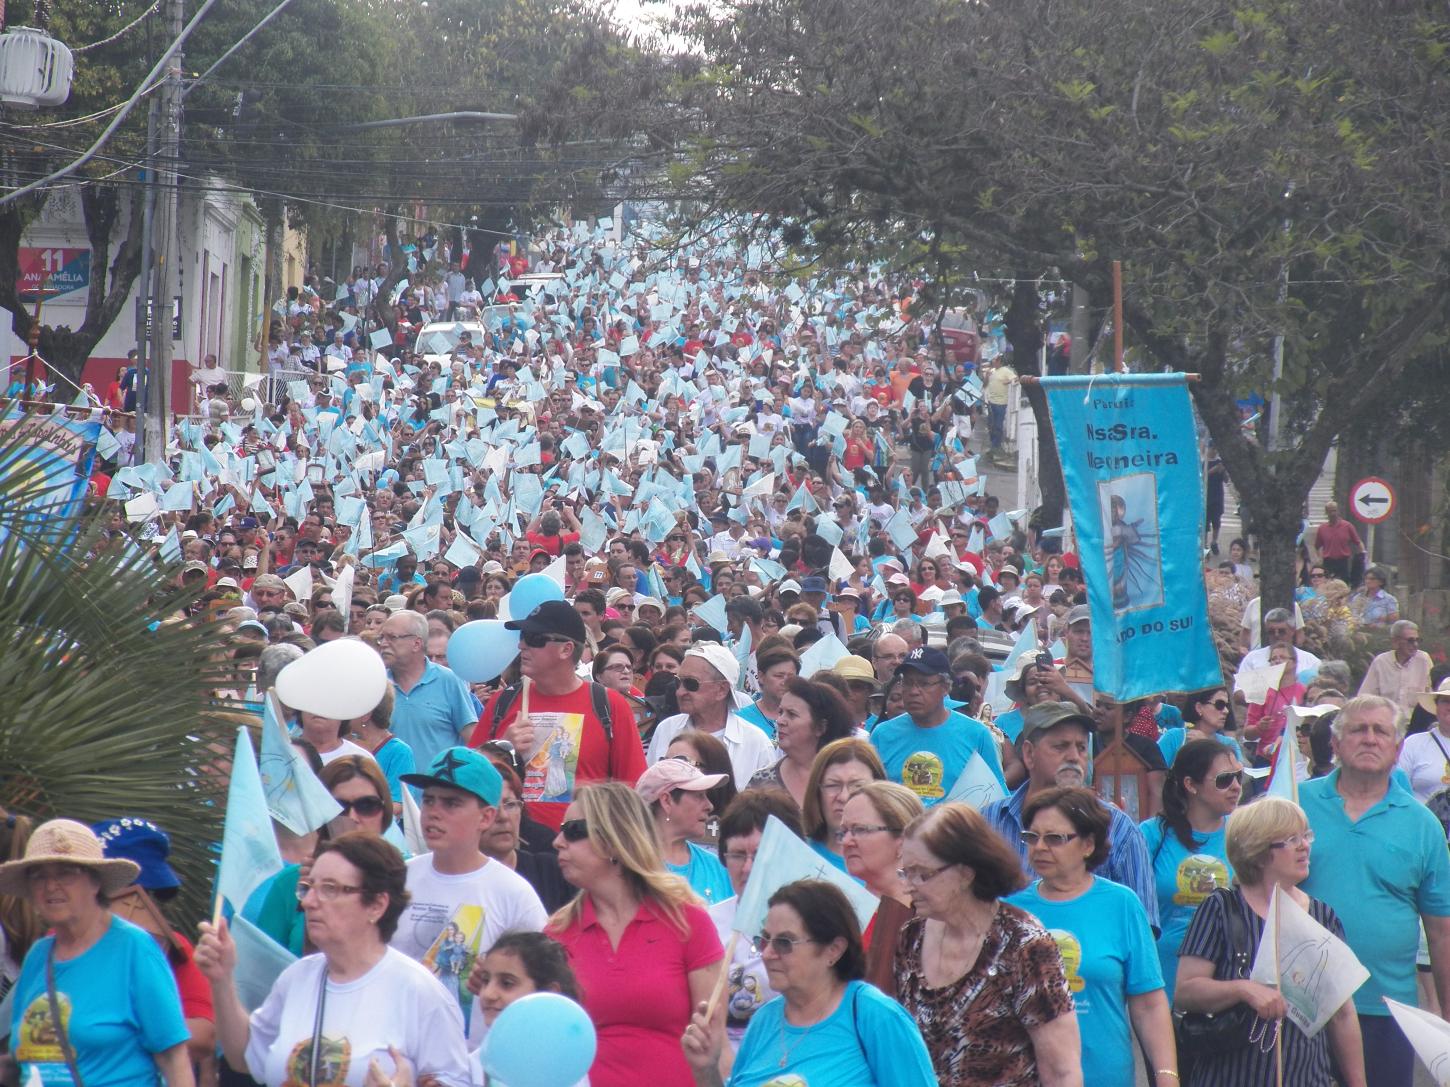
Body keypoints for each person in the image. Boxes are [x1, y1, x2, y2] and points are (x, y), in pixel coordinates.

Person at [196, 831, 472, 1087]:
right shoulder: (297, 977)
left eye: (329, 889)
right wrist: (222, 980)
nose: (308, 902)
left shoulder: (420, 992)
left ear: (377, 905)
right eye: (308, 887)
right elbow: (245, 1057)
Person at [1299, 694, 1450, 1083]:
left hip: (1387, 1008)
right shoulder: (1295, 805)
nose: (1369, 738)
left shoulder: (1423, 825)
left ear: (1397, 749)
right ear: (1335, 744)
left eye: (1381, 731)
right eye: (1358, 730)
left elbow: (1441, 932)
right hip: (1301, 1005)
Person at [1176, 798, 1366, 1087]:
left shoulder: (1322, 916)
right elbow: (1186, 991)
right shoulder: (1222, 908)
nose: (1305, 846)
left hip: (1307, 1079)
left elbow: (1342, 1013)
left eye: (1306, 836)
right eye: (1291, 839)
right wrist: (1243, 989)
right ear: (1258, 851)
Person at [548, 781, 724, 1087]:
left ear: (615, 841)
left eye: (573, 831)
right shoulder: (556, 935)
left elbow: (714, 1051)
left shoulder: (688, 922)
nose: (557, 842)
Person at [681, 880, 937, 1087]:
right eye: (764, 940)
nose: (767, 954)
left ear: (834, 950)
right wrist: (706, 1071)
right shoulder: (763, 1020)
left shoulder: (876, 1016)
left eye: (784, 943)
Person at [893, 802, 1080, 1087]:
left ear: (966, 872)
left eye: (922, 874)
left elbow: (1062, 1071)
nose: (908, 886)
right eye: (905, 872)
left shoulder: (1024, 945)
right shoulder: (911, 936)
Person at [0, 820, 195, 1087]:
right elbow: (24, 1060)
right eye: (38, 875)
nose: (51, 886)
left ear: (96, 882)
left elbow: (173, 1057)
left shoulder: (134, 948)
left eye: (66, 873)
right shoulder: (38, 955)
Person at [1006, 787, 1177, 1087]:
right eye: (1032, 837)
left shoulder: (1121, 904)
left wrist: (1167, 1076)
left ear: (1088, 844)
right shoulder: (1010, 911)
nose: (1040, 847)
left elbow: (1148, 1004)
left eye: (1055, 838)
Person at [391, 747, 548, 1036]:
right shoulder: (398, 879)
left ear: (486, 817)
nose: (434, 813)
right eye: (429, 800)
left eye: (451, 803)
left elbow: (543, 986)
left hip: (473, 1053)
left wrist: (496, 980)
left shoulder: (513, 893)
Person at [471, 600, 647, 832]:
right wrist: (502, 749)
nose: (522, 645)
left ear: (566, 649)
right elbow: (468, 779)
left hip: (583, 844)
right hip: (511, 844)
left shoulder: (609, 705)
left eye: (534, 638)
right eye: (522, 636)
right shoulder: (502, 702)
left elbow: (632, 789)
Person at [982, 702, 1160, 929]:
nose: (1074, 757)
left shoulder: (1118, 828)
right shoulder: (989, 822)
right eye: (1061, 747)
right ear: (1029, 754)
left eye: (1082, 747)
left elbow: (1141, 928)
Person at [93, 818, 216, 1067]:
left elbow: (204, 1035)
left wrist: (116, 1032)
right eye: (129, 888)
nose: (141, 902)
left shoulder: (174, 947)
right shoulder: (53, 944)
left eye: (149, 892)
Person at [1138, 739, 1240, 996]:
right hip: (1159, 980)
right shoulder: (1152, 834)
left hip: (1223, 984)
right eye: (1224, 779)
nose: (1236, 787)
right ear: (1191, 784)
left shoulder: (1243, 833)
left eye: (1239, 777)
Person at [707, 789, 804, 1049]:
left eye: (760, 855)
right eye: (738, 855)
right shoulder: (707, 924)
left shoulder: (815, 924)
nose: (748, 868)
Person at [869, 646, 1005, 805]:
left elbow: (995, 798)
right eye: (907, 683)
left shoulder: (976, 734)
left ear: (945, 687)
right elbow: (870, 796)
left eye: (924, 683)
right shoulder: (882, 735)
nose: (914, 691)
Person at [646, 644, 777, 790]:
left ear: (721, 689)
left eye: (691, 684)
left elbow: (767, 800)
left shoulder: (756, 743)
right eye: (678, 683)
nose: (680, 692)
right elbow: (649, 790)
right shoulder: (666, 729)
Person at [466, 932, 588, 1086]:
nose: (488, 994)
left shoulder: (564, 1067)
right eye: (485, 980)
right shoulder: (474, 1066)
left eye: (507, 983)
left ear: (548, 994)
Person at [838, 781, 923, 993]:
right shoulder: (840, 911)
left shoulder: (930, 916)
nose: (846, 841)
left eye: (860, 830)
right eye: (843, 831)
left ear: (903, 840)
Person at [381, 611, 480, 771]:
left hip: (438, 786)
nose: (384, 644)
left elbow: (473, 738)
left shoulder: (449, 681)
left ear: (417, 643)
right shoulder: (378, 685)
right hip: (391, 786)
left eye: (392, 637)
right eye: (382, 637)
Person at [479, 755, 574, 913]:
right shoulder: (452, 876)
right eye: (491, 806)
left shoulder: (550, 872)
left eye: (510, 804)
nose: (503, 816)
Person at [636, 759, 734, 905]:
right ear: (667, 801)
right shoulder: (631, 868)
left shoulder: (718, 868)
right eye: (699, 796)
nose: (709, 806)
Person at [746, 677, 855, 806]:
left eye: (792, 714)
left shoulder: (852, 782)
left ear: (821, 727)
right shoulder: (761, 783)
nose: (780, 721)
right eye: (780, 712)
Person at [800, 738, 887, 873]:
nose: (844, 797)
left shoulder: (900, 860)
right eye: (833, 785)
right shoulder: (798, 854)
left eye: (858, 786)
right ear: (817, 792)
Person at [1358, 620, 1433, 720]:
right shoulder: (1381, 662)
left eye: (1417, 640)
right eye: (1410, 640)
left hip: (1416, 723)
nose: (1415, 644)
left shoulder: (1423, 660)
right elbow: (1364, 697)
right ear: (1395, 642)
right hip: (1387, 722)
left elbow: (1433, 695)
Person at [1160, 686, 1243, 766]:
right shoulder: (1174, 737)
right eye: (1219, 705)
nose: (1226, 711)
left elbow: (1239, 773)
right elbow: (1156, 769)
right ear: (1199, 707)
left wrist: (1208, 745)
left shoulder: (1230, 743)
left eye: (1227, 706)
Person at [736, 646, 799, 740]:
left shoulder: (803, 719)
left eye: (791, 677)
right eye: (779, 676)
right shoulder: (741, 719)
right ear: (761, 677)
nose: (785, 682)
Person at [1312, 500, 1365, 585]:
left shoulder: (1347, 526)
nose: (1333, 513)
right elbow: (1316, 546)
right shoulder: (1322, 528)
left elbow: (1358, 542)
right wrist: (1319, 559)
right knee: (1328, 585)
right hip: (1328, 562)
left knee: (1344, 584)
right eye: (1330, 511)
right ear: (1326, 513)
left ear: (1338, 511)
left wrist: (1362, 555)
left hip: (1343, 562)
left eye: (1334, 510)